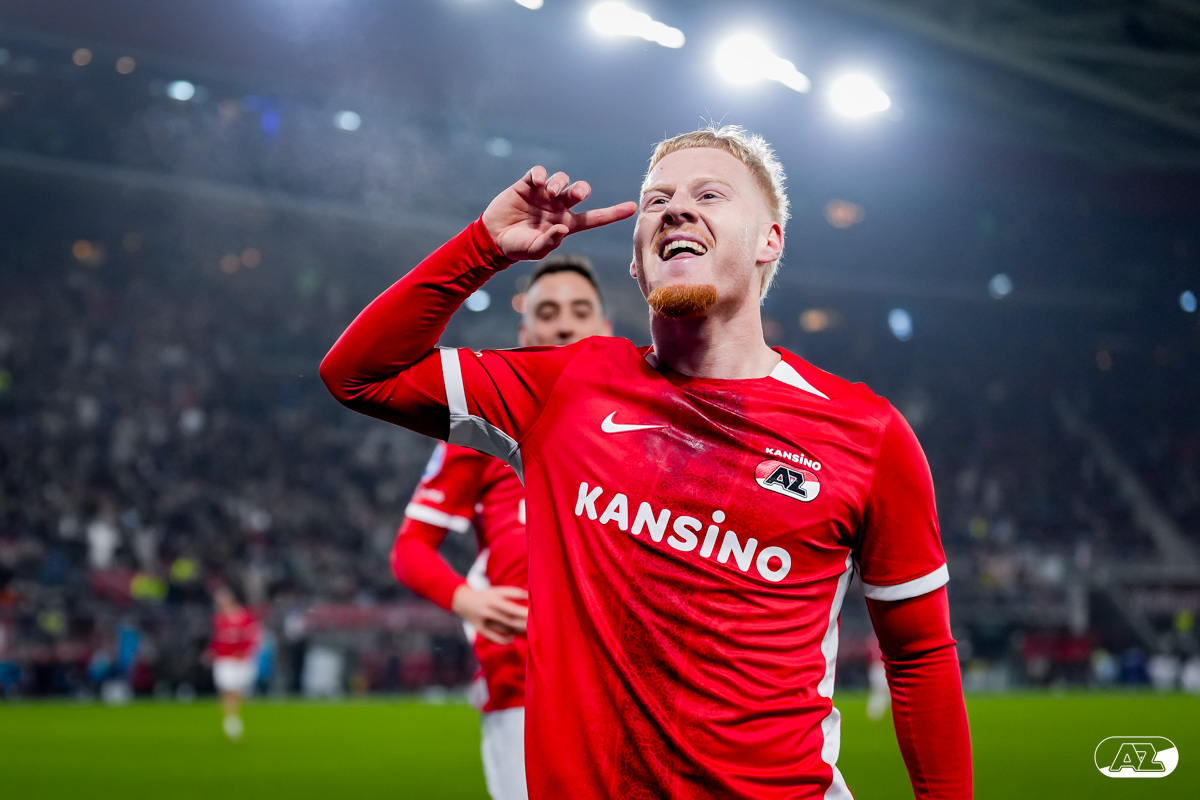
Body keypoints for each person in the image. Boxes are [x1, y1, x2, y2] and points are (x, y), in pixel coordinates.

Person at [321, 124, 973, 799]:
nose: (676, 208)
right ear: (636, 262)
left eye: (709, 194)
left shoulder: (868, 434)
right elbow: (357, 375)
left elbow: (920, 654)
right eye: (657, 200)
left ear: (769, 240)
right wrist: (482, 247)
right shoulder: (564, 387)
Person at [391, 255, 612, 800]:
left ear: (606, 330)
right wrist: (468, 600)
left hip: (626, 685)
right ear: (524, 334)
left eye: (580, 311)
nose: (565, 325)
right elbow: (410, 549)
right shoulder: (483, 428)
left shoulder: (650, 425)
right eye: (548, 313)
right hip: (523, 684)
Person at [208, 585, 259, 741]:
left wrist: (246, 652)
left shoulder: (244, 617)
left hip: (241, 660)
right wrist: (212, 652)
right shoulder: (219, 619)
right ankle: (231, 719)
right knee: (227, 689)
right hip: (225, 659)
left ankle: (232, 715)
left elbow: (252, 637)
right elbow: (217, 639)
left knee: (238, 690)